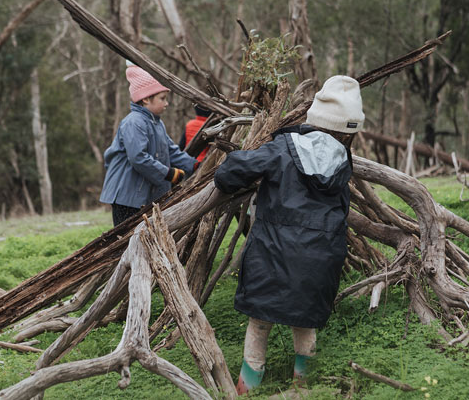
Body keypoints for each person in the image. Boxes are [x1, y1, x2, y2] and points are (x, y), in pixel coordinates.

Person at [213, 75, 365, 394]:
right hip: (319, 262)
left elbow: (232, 172)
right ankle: (303, 386)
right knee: (305, 323)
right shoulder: (343, 162)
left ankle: (248, 387)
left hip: (271, 255)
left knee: (259, 323)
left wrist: (226, 179)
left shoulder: (284, 148)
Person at [100, 62, 197, 226]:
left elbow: (171, 150)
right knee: (126, 238)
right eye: (162, 98)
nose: (166, 103)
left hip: (142, 195)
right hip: (127, 196)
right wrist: (168, 173)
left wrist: (194, 165)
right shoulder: (134, 122)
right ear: (145, 99)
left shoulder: (157, 123)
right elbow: (138, 157)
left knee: (148, 233)